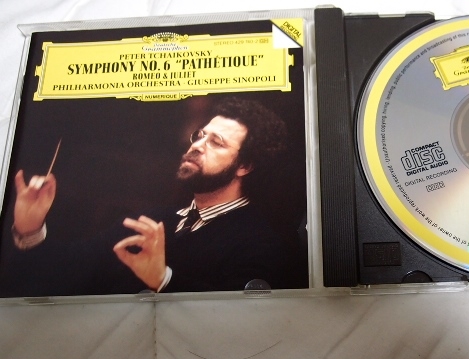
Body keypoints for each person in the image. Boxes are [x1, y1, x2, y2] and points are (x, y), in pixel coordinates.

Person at [4, 97, 304, 296]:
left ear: (245, 166)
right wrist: (30, 228)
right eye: (200, 135)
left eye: (217, 142)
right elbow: (64, 274)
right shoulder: (150, 220)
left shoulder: (263, 241)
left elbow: (245, 324)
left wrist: (163, 279)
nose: (197, 145)